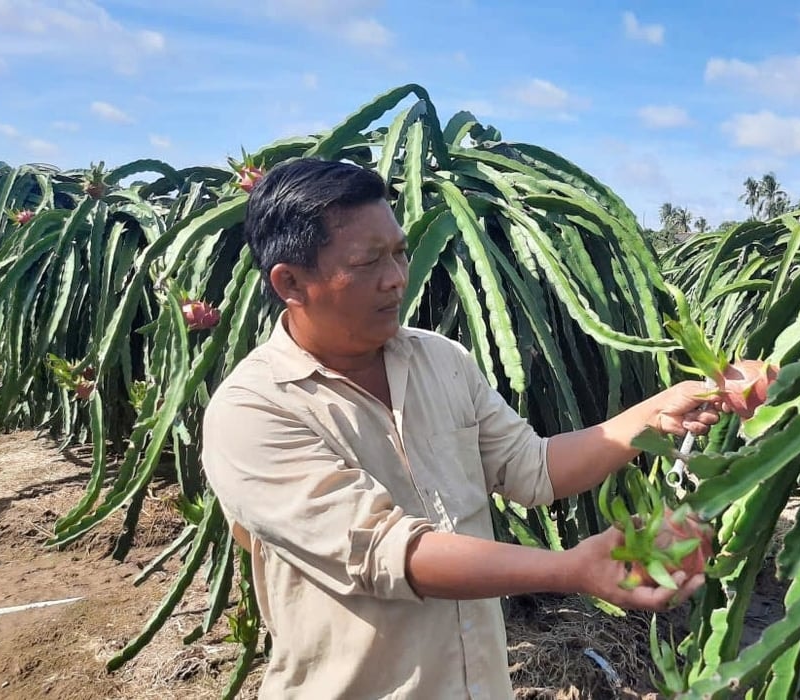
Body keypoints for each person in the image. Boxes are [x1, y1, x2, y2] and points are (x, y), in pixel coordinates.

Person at [201, 157, 721, 699]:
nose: (397, 277)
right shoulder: (254, 411)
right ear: (291, 282)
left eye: (400, 251)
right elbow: (393, 553)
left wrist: (656, 413)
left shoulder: (441, 360)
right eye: (367, 261)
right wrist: (572, 569)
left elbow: (533, 468)